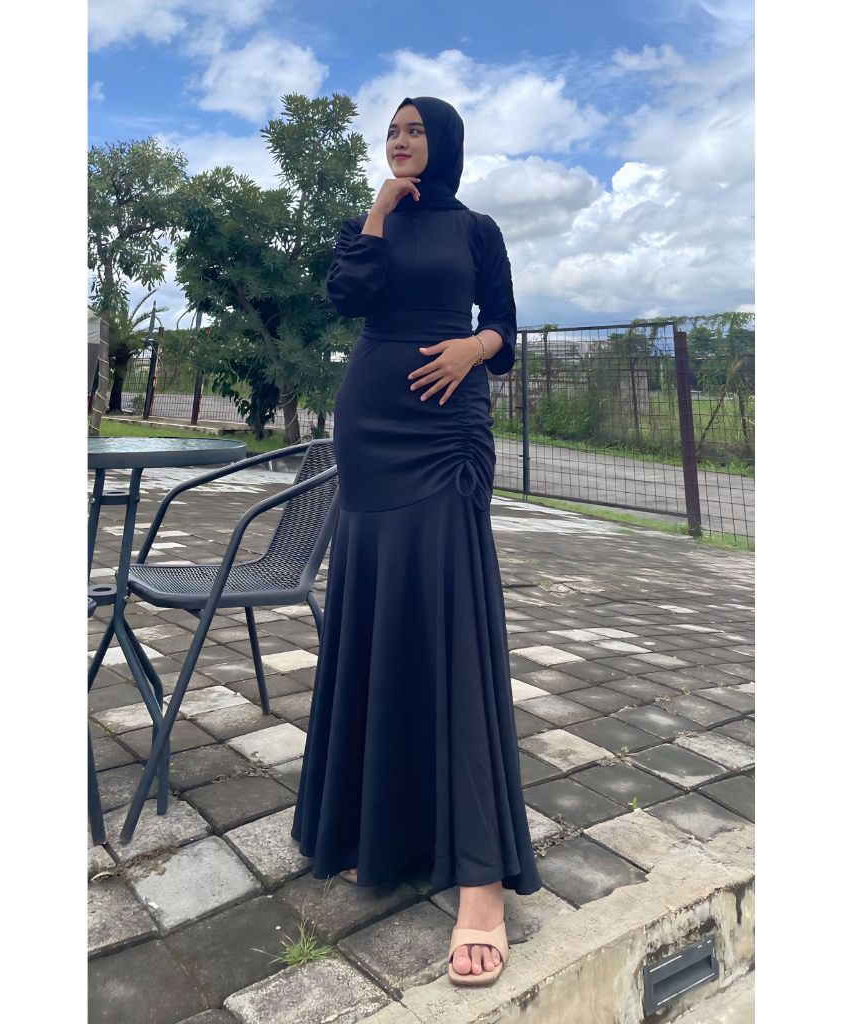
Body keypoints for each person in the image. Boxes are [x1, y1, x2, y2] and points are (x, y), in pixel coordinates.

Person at [291, 95, 542, 986]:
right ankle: (376, 827)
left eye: (415, 130)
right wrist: (375, 213)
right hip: (372, 423)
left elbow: (506, 330)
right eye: (392, 132)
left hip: (445, 434)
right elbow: (348, 297)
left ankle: (481, 880)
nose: (400, 142)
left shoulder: (477, 229)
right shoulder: (372, 222)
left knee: (451, 618)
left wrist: (473, 348)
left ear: (447, 143)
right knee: (377, 611)